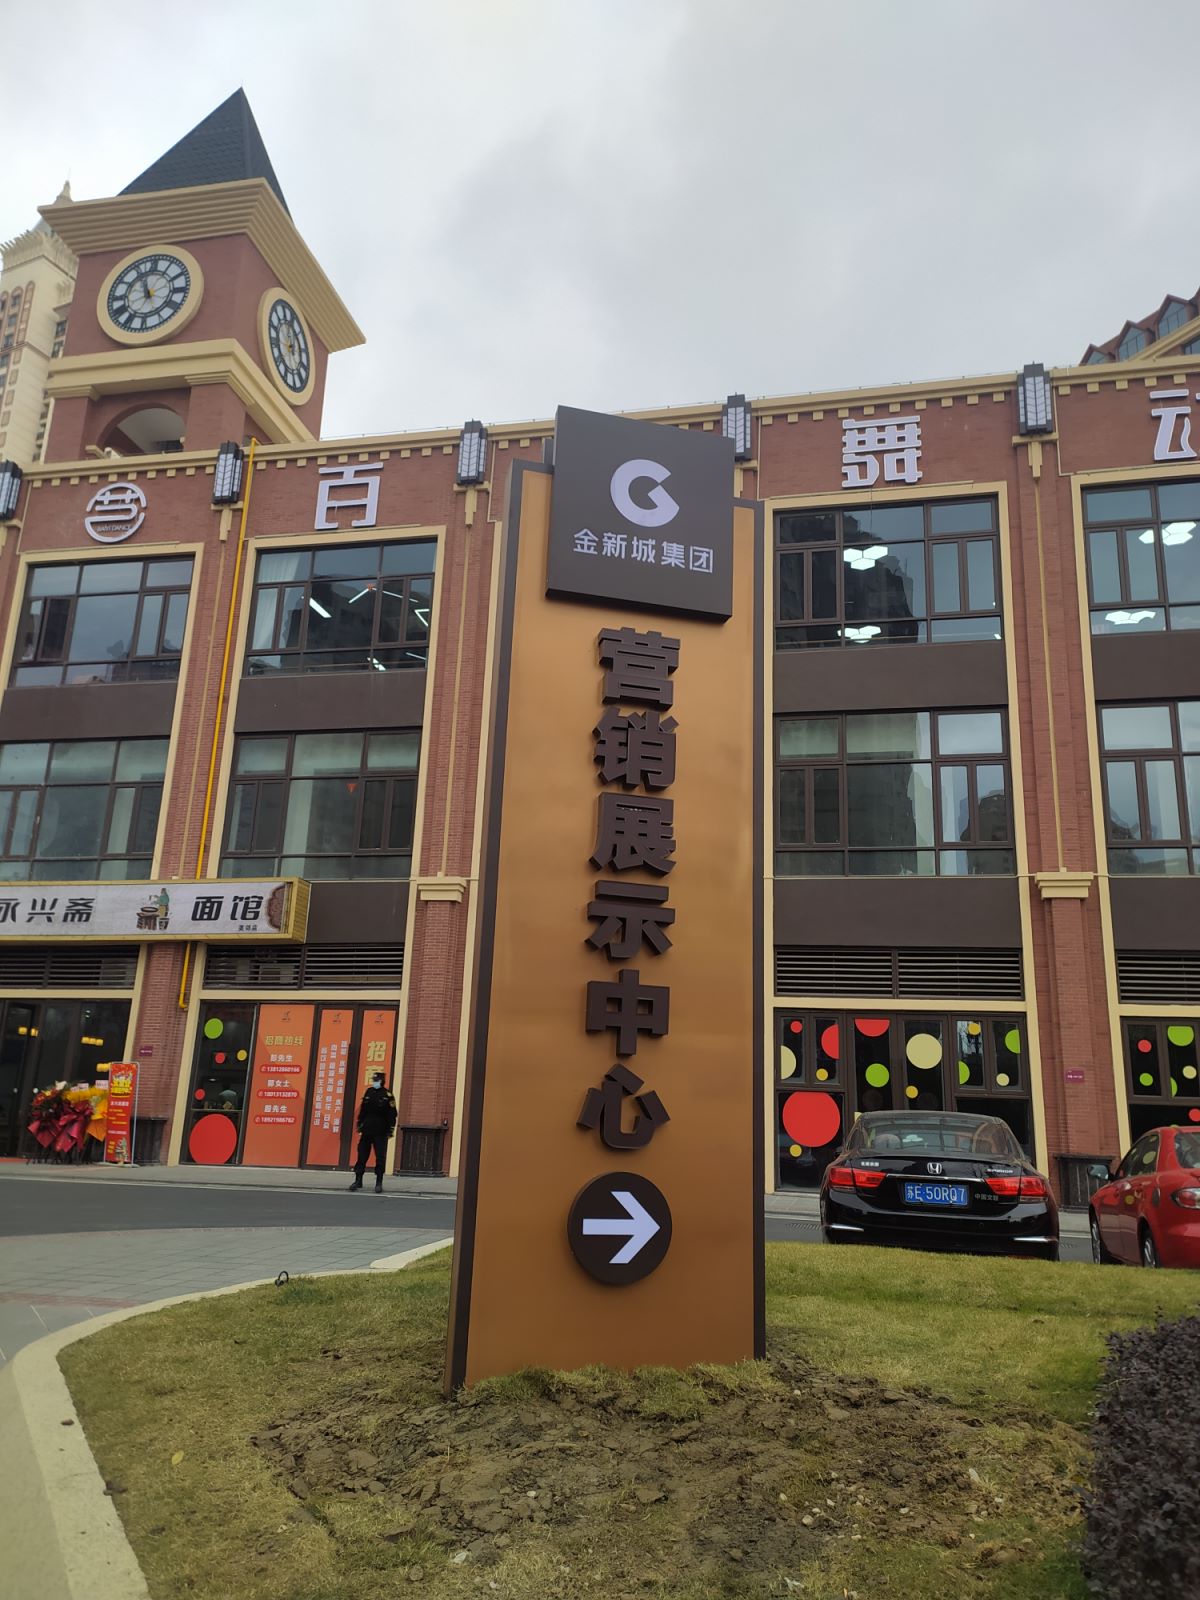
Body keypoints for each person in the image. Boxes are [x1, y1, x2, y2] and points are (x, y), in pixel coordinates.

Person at [348, 1072, 397, 1193]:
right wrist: (360, 1123)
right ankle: (358, 1180)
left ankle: (379, 1182)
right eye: (374, 1080)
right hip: (367, 1129)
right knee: (362, 1155)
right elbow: (363, 1110)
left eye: (377, 1080)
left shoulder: (387, 1095)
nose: (375, 1082)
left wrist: (390, 1129)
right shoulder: (369, 1092)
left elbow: (392, 1114)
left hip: (381, 1130)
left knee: (380, 1157)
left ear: (382, 1081)